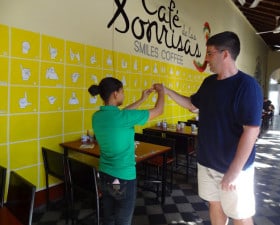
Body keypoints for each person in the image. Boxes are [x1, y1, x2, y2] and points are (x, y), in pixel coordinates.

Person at [163, 31, 263, 225]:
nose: (206, 59)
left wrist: (234, 171)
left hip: (233, 166)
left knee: (240, 215)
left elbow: (251, 131)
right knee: (214, 205)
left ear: (225, 54)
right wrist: (167, 91)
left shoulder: (247, 86)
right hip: (206, 162)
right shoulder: (209, 83)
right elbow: (192, 104)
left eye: (210, 53)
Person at [88, 77, 164, 225]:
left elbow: (121, 113)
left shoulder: (97, 117)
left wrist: (142, 99)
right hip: (123, 179)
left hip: (105, 176)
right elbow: (159, 110)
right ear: (115, 94)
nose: (123, 95)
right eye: (122, 92)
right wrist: (162, 92)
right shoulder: (123, 118)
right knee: (123, 219)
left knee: (109, 217)